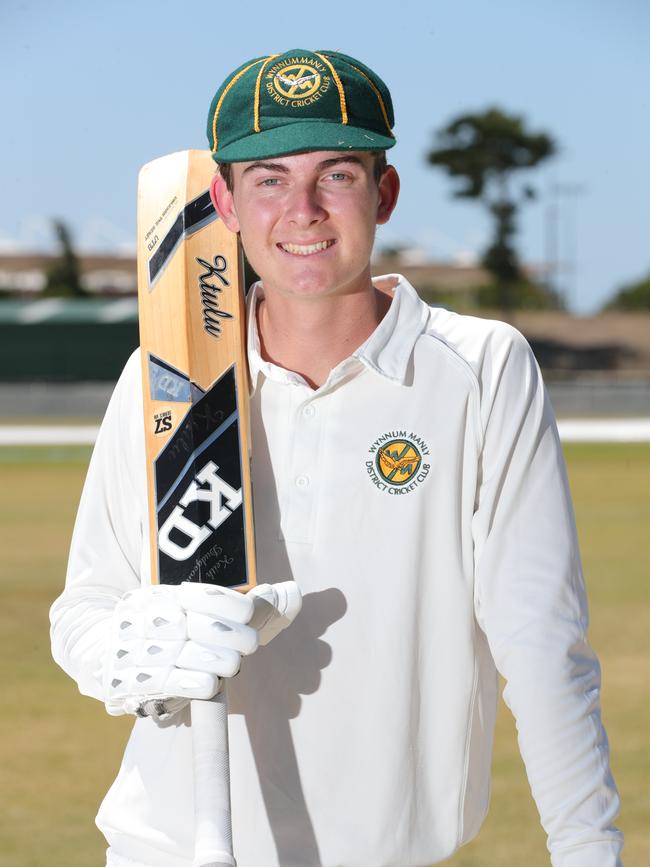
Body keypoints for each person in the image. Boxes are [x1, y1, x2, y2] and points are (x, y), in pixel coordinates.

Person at [50, 48, 623, 867]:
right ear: (227, 203)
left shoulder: (480, 368)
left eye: (338, 176)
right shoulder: (163, 378)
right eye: (271, 179)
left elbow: (541, 640)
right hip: (169, 844)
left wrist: (586, 848)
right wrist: (131, 651)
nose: (305, 210)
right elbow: (84, 611)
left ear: (384, 193)